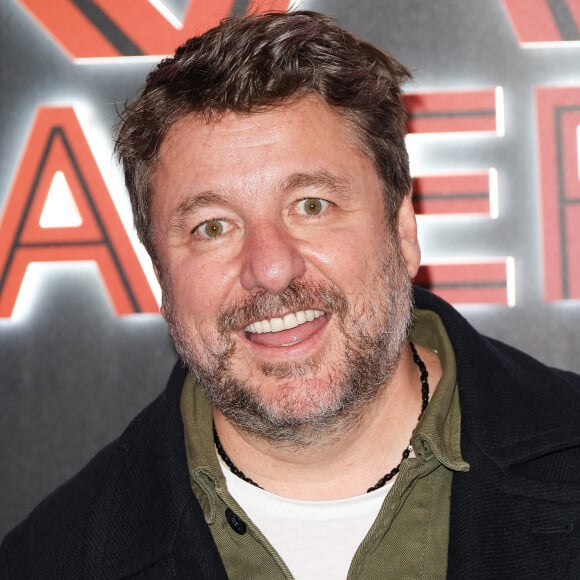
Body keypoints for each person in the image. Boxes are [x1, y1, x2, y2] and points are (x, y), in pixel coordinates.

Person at [1, 10, 580, 580]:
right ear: (160, 272)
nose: (272, 269)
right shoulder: (51, 560)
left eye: (311, 206)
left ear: (403, 229)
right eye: (212, 226)